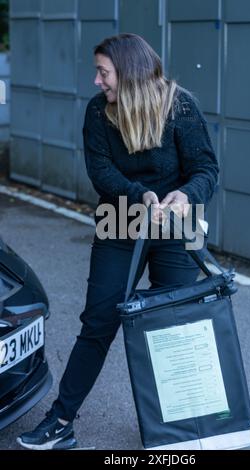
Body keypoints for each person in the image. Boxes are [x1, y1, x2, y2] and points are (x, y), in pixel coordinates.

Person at [17, 33, 219, 450]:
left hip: (175, 226)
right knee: (98, 323)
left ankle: (182, 431)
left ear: (128, 73)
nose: (97, 81)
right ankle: (61, 422)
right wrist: (139, 195)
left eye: (103, 72)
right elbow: (101, 172)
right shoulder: (97, 112)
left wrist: (186, 195)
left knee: (174, 328)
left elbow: (206, 169)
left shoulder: (180, 106)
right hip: (120, 221)